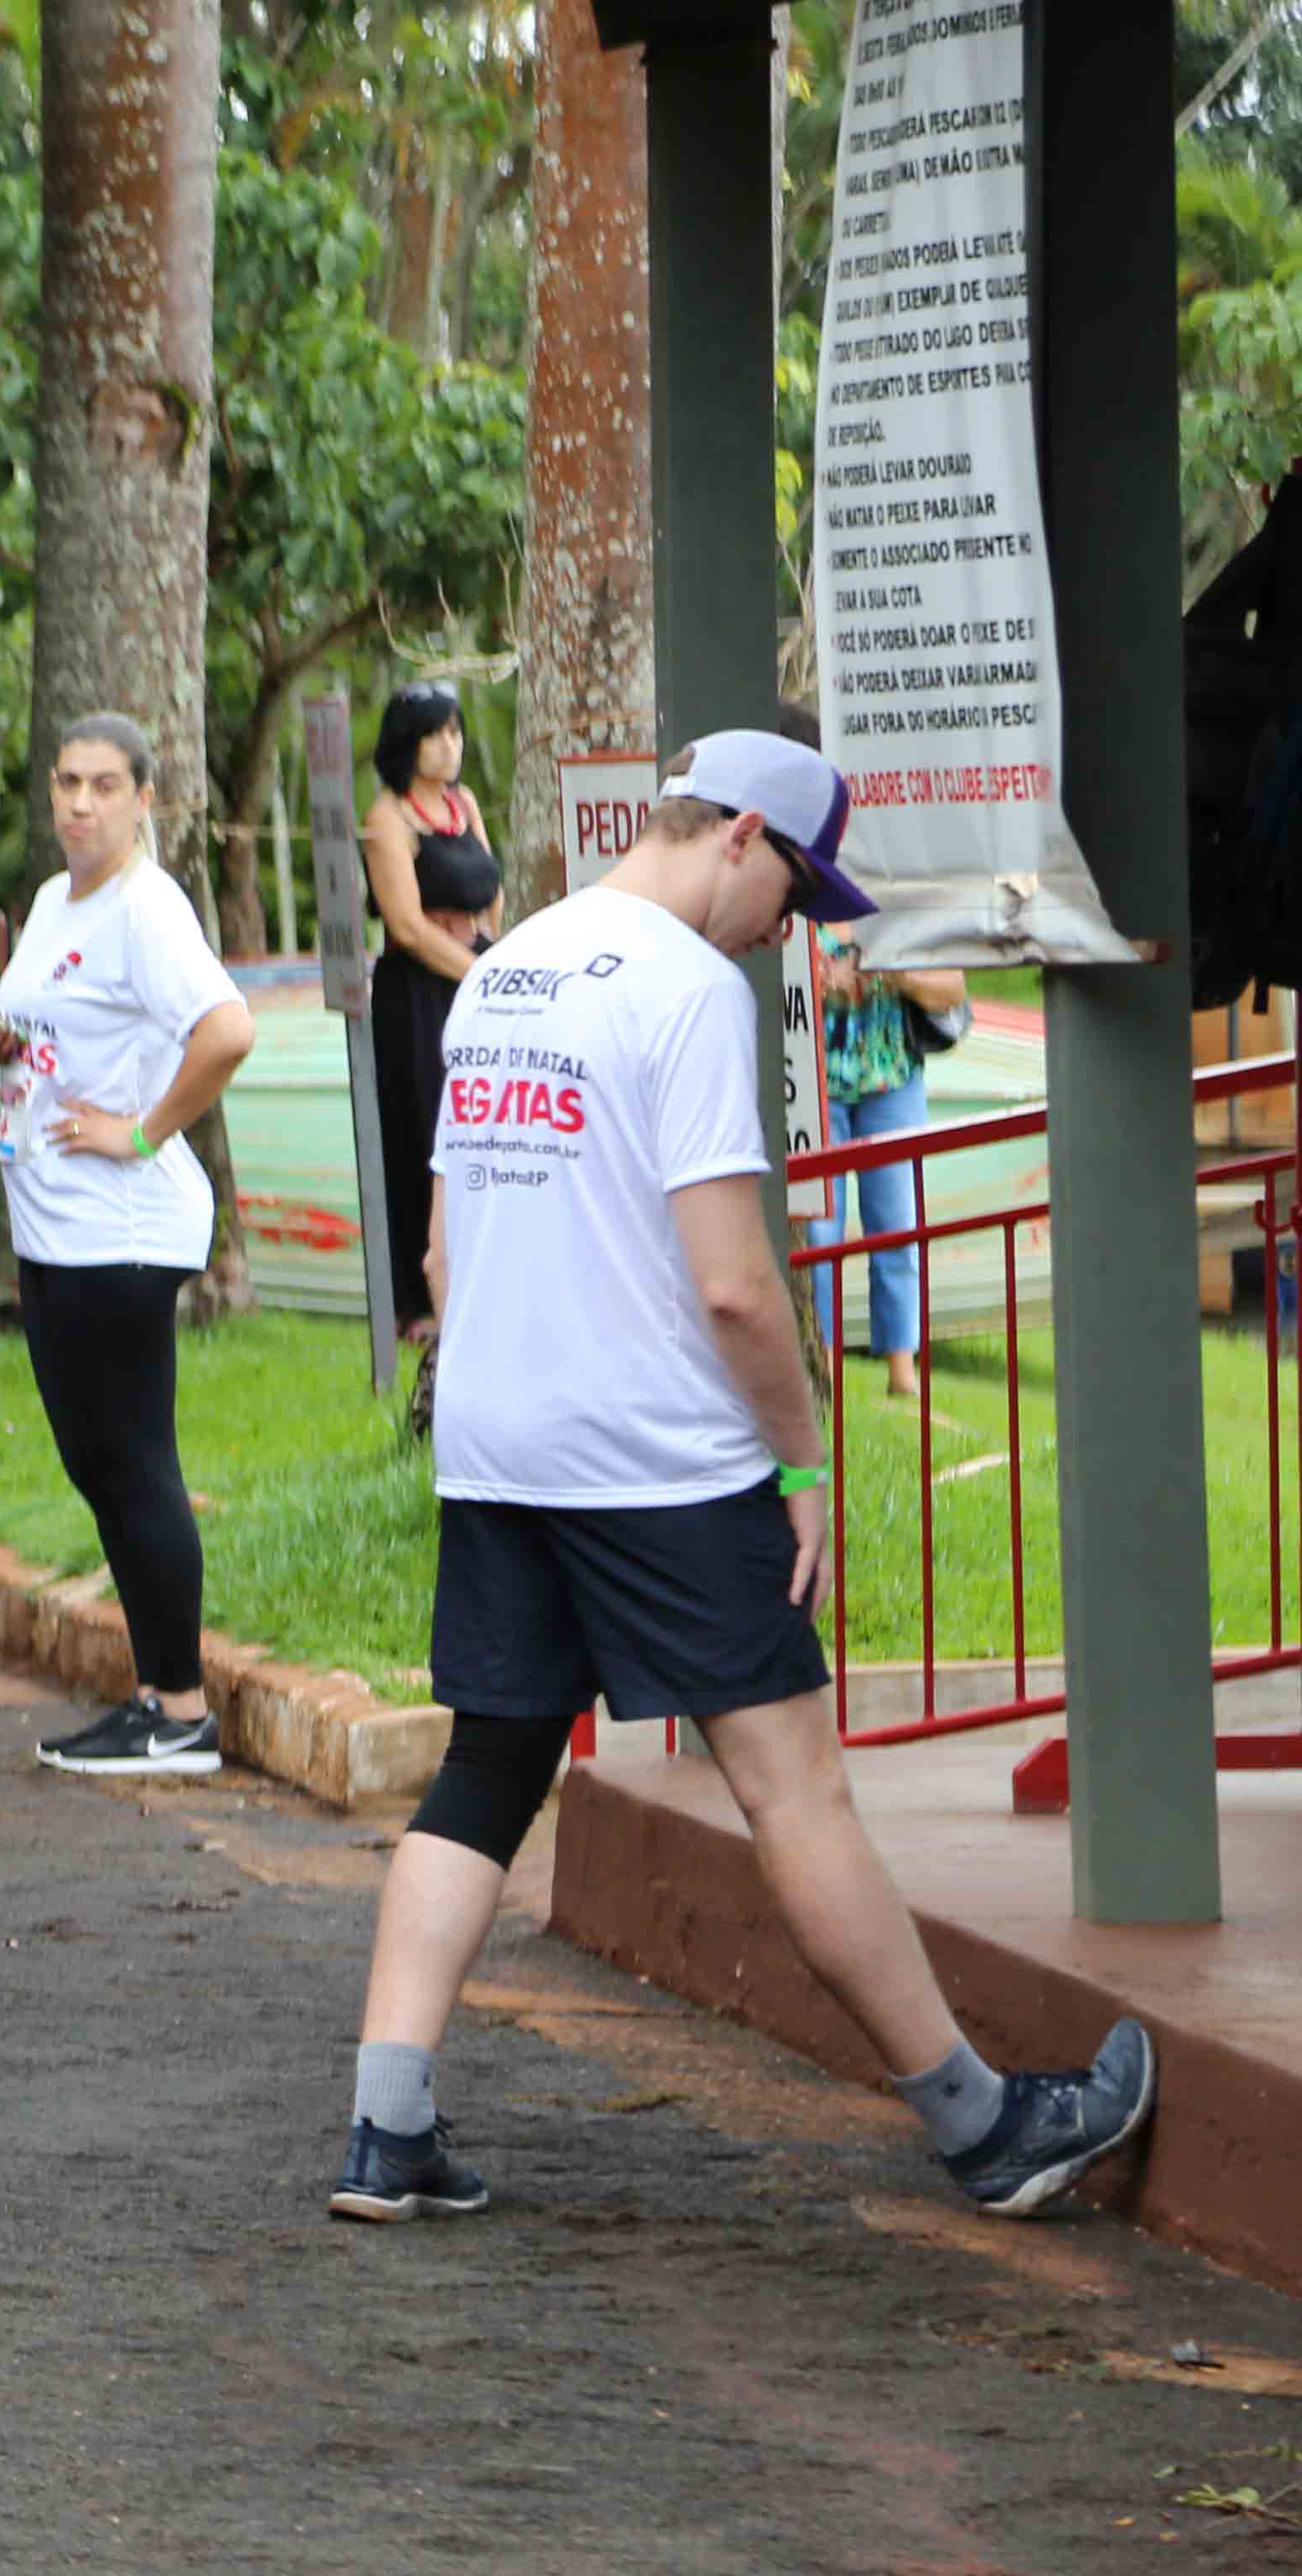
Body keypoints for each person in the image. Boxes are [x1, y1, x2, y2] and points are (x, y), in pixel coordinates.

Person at [335, 729, 1153, 2224]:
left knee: (490, 1762)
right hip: (657, 1459)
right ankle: (988, 2131)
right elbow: (733, 1287)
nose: (793, 930)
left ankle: (386, 2131)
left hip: (502, 1447)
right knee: (798, 1791)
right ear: (738, 837)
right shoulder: (689, 992)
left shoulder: (508, 969)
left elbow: (447, 1251)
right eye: (795, 889)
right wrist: (801, 1455)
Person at [0, 715, 256, 1778]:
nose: (80, 804)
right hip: (52, 1221)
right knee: (98, 1464)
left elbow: (227, 1030)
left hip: (120, 1230)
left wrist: (140, 1131)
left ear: (144, 800)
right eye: (66, 784)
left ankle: (179, 1711)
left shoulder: (147, 908)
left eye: (103, 787)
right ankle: (150, 1693)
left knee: (133, 1463)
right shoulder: (53, 902)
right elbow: (48, 1026)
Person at [360, 680, 502, 1344]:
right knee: (422, 1127)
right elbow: (409, 928)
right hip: (418, 992)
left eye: (457, 732)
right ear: (408, 744)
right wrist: (475, 969)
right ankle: (417, 1301)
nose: (452, 746)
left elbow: (488, 888)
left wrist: (494, 955)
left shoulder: (464, 804)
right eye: (437, 734)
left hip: (476, 972)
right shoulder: (388, 817)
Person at [807, 934, 971, 1405]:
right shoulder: (796, 899)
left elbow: (951, 989)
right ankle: (824, 1370)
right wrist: (819, 982)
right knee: (819, 1235)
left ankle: (903, 1373)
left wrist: (891, 972)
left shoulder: (900, 906)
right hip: (818, 1086)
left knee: (897, 1228)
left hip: (893, 1082)